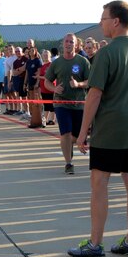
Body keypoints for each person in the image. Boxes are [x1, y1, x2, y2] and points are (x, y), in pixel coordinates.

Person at [71, 0, 128, 257]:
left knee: (99, 182)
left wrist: (82, 132)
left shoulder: (107, 53)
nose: (101, 23)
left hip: (109, 128)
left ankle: (95, 243)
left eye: (103, 18)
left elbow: (94, 95)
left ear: (115, 21)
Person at [44, 34, 90, 175]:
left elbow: (91, 81)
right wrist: (54, 88)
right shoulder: (56, 63)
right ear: (63, 44)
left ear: (76, 45)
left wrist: (79, 84)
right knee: (65, 133)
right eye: (66, 41)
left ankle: (74, 144)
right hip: (61, 103)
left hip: (78, 104)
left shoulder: (83, 61)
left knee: (75, 137)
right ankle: (68, 163)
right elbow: (47, 81)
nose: (69, 44)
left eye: (72, 42)